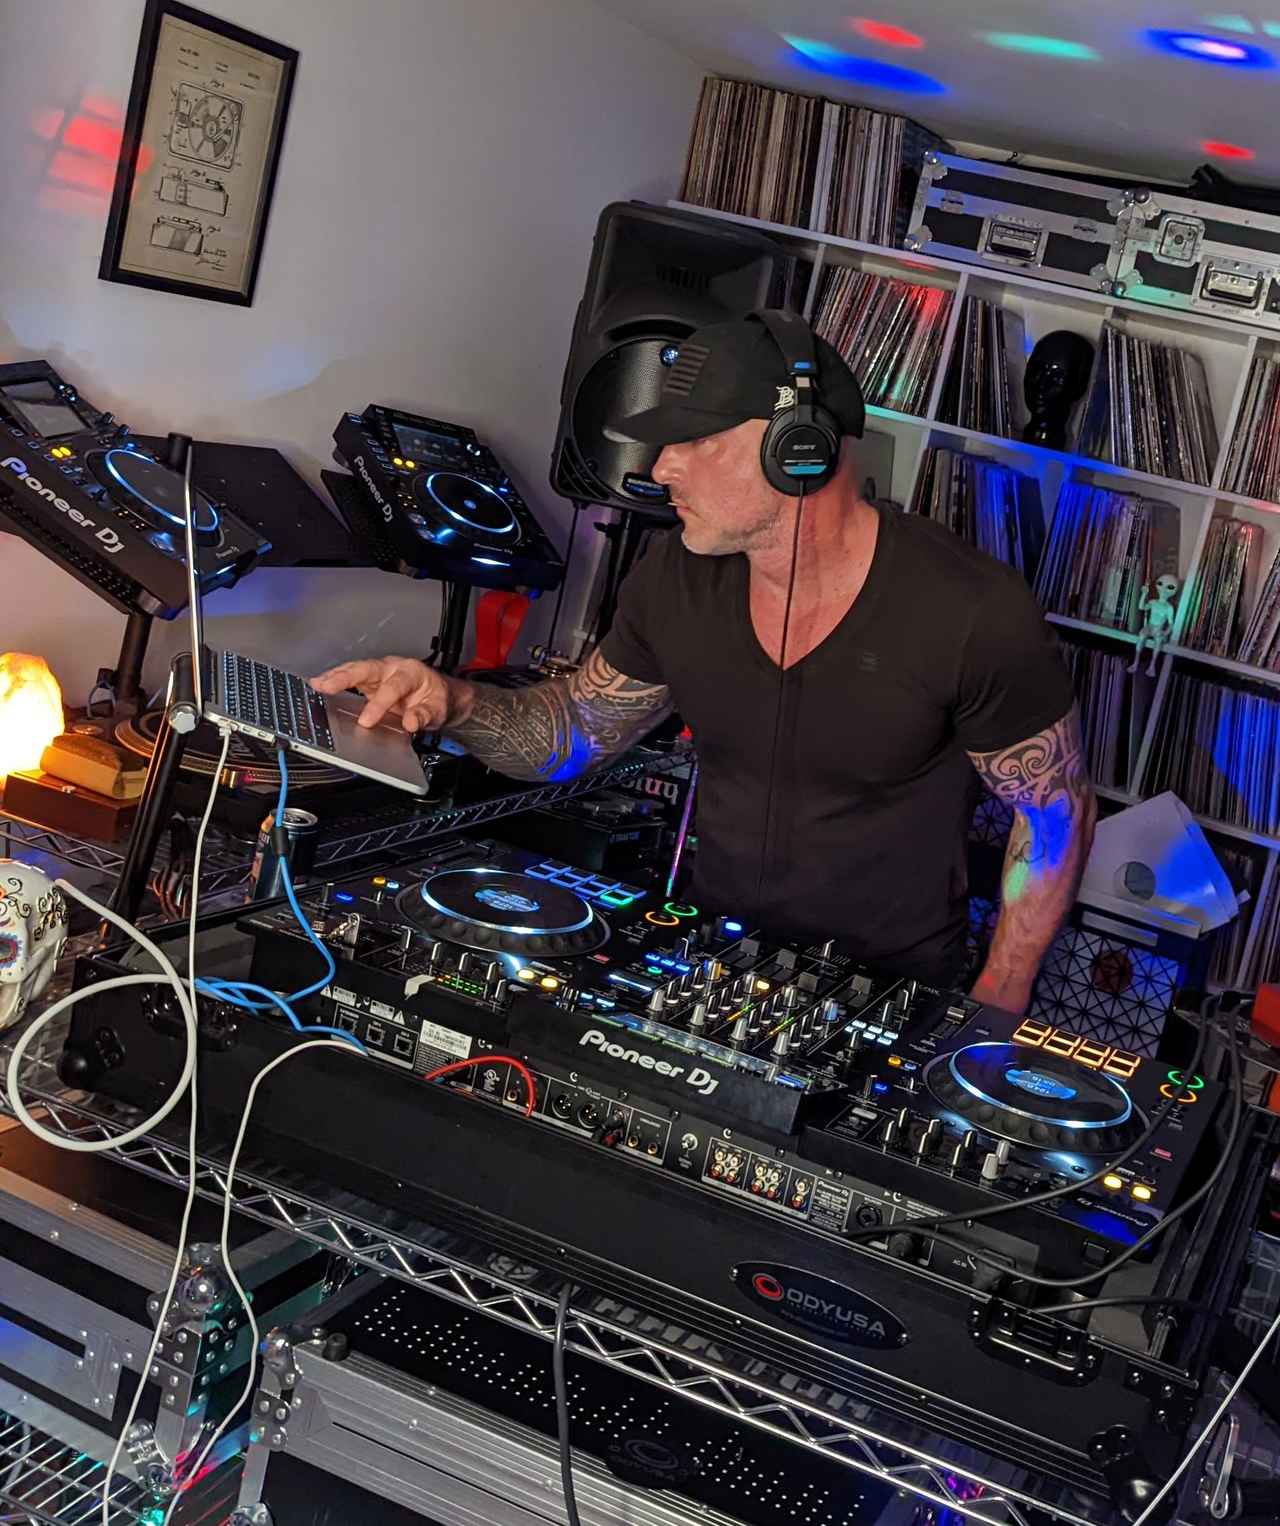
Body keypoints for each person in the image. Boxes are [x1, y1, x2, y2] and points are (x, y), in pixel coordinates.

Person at [311, 312, 1093, 1012]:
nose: (659, 469)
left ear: (800, 447)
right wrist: (453, 702)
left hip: (887, 992)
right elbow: (573, 731)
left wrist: (999, 995)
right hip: (706, 960)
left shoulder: (970, 611)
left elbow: (1053, 812)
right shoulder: (674, 576)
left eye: (696, 441)